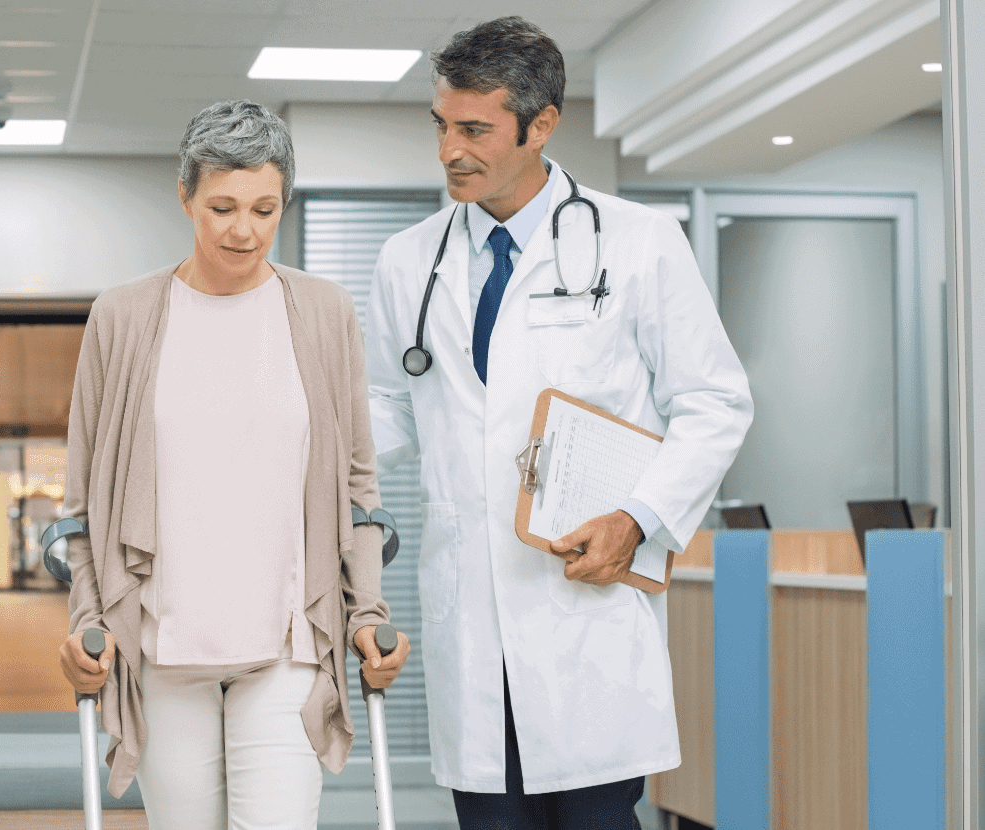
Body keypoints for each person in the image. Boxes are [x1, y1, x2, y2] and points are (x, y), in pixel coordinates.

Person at [366, 17, 753, 830]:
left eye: (475, 129)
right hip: (471, 615)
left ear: (541, 125)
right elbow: (389, 409)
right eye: (441, 125)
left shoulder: (638, 242)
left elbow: (715, 403)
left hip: (585, 610)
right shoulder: (410, 259)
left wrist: (639, 520)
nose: (449, 150)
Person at [57, 99, 410, 830]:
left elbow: (357, 484)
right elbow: (83, 499)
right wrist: (88, 618)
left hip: (287, 641)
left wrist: (366, 609)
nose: (243, 229)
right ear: (185, 194)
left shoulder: (323, 311)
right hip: (160, 643)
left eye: (264, 207)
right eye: (221, 206)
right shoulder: (121, 317)